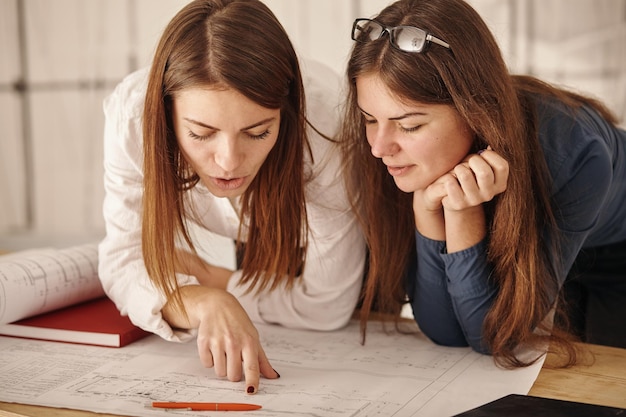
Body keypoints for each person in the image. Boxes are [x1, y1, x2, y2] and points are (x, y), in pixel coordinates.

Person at [98, 0, 366, 394]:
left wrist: (212, 277)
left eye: (257, 132)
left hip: (350, 261)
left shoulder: (325, 128)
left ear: (285, 114)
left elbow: (326, 305)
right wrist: (203, 301)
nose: (228, 162)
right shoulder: (134, 119)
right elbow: (122, 261)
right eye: (201, 133)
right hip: (263, 261)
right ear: (167, 112)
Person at [341, 0, 626, 368]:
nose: (380, 148)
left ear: (476, 111)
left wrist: (460, 210)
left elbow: (493, 339)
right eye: (368, 119)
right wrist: (428, 211)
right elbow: (444, 333)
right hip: (562, 240)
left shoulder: (575, 152)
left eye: (410, 125)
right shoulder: (409, 159)